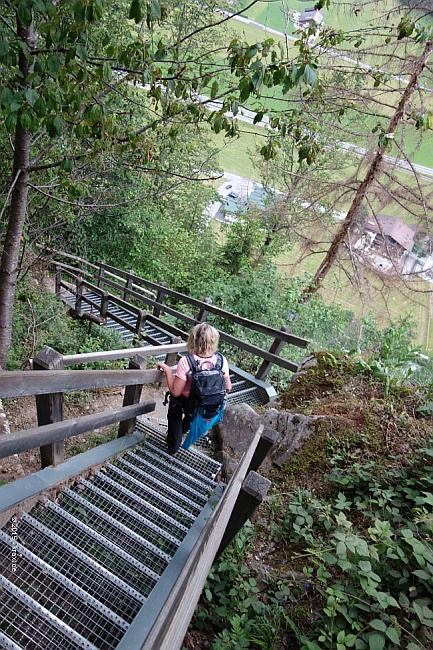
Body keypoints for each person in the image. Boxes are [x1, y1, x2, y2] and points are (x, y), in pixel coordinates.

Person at [157, 323, 232, 455]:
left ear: (193, 339)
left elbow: (176, 391)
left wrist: (168, 370)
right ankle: (182, 431)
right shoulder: (221, 360)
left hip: (186, 401)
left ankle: (173, 446)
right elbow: (228, 387)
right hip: (203, 406)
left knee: (175, 411)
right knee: (190, 416)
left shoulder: (187, 361)